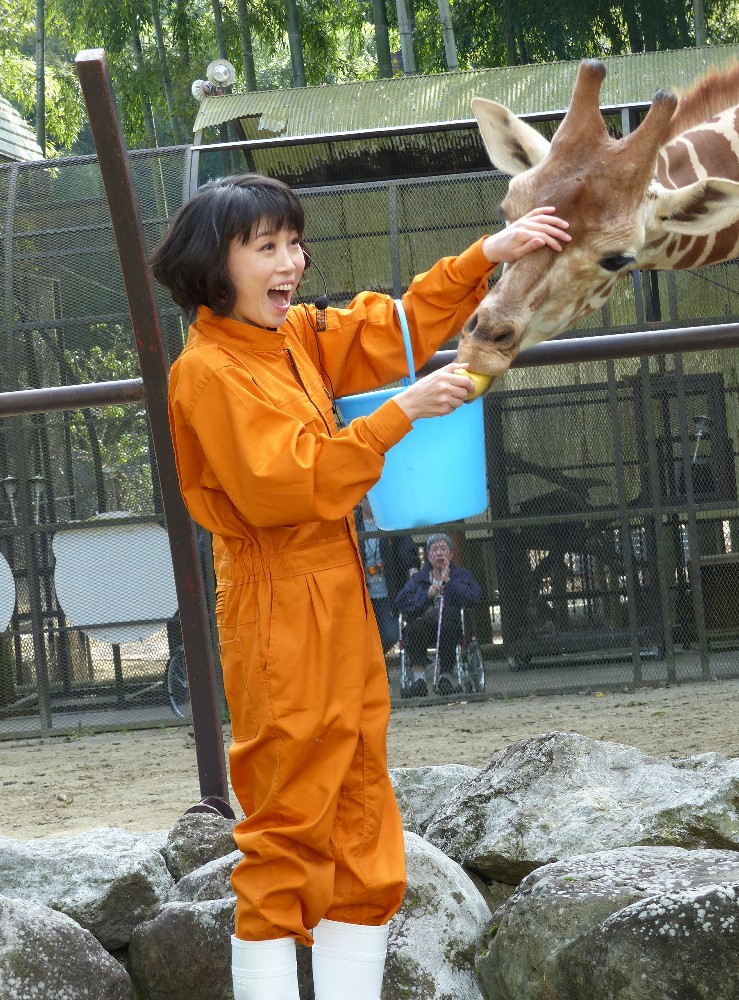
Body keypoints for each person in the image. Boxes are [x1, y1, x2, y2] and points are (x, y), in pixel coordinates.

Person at [149, 172, 570, 1000]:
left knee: (360, 813)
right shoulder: (206, 371)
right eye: (265, 247)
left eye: (293, 244)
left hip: (338, 593)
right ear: (212, 265)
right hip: (278, 605)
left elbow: (394, 324)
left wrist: (492, 252)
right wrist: (399, 413)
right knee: (287, 829)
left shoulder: (292, 337)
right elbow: (284, 483)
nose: (291, 262)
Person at [394, 532, 481, 696]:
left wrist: (450, 583)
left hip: (450, 626)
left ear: (451, 554)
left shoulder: (461, 575)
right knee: (414, 627)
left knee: (448, 619)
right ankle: (419, 680)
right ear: (428, 556)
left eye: (443, 549)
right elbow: (401, 601)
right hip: (424, 625)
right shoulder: (418, 579)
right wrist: (427, 596)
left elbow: (473, 597)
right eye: (434, 550)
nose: (439, 553)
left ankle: (445, 677)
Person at [357, 495, 419, 654]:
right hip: (361, 593)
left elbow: (405, 544)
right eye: (368, 499)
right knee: (362, 635)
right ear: (360, 501)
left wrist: (411, 565)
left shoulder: (388, 523)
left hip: (386, 590)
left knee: (391, 633)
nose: (373, 504)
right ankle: (377, 672)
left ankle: (376, 662)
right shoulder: (353, 524)